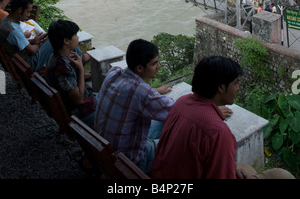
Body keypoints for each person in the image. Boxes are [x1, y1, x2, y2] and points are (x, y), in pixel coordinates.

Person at [151, 56, 294, 180]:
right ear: (220, 88)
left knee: (244, 168)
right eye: (236, 83)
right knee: (281, 175)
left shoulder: (182, 103)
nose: (238, 88)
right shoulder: (218, 133)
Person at [94, 38, 175, 174]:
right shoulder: (141, 92)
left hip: (105, 150)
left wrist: (156, 91)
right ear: (139, 68)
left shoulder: (113, 73)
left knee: (162, 120)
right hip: (130, 160)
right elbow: (177, 111)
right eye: (154, 63)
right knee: (179, 145)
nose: (159, 66)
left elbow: (134, 94)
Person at [46, 19, 97, 129]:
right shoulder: (62, 68)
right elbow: (79, 100)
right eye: (75, 35)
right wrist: (81, 69)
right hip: (79, 115)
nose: (78, 37)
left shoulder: (55, 57)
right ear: (66, 41)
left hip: (66, 107)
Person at [0, 0, 52, 71]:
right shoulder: (14, 31)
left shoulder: (5, 21)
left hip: (18, 61)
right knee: (54, 38)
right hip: (28, 64)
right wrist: (37, 42)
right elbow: (32, 51)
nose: (28, 15)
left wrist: (33, 41)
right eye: (27, 12)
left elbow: (18, 42)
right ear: (20, 10)